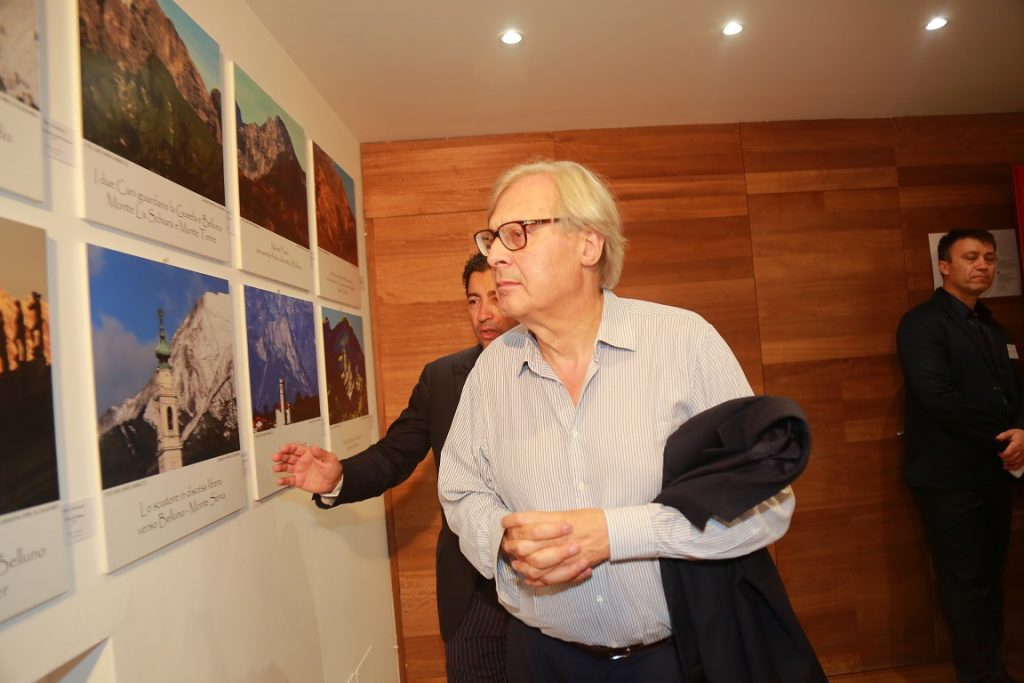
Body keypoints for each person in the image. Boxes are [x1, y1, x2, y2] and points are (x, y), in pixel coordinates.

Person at [439, 160, 799, 681]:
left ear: (588, 245)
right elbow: (461, 490)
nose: (494, 254)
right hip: (540, 660)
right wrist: (502, 540)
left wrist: (616, 533)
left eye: (517, 233)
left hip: (678, 659)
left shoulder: (685, 343)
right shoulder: (492, 370)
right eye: (492, 237)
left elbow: (767, 507)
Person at [272, 254, 518, 682]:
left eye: (495, 297)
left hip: (548, 583)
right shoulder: (441, 378)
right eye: (473, 300)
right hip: (472, 588)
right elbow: (395, 454)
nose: (484, 314)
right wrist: (338, 477)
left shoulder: (556, 371)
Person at [897, 228, 1023, 683]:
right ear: (944, 266)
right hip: (949, 477)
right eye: (971, 257)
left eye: (989, 257)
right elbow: (937, 397)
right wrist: (1002, 439)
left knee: (990, 580)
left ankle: (992, 670)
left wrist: (1023, 430)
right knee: (966, 583)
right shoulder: (921, 324)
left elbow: (1016, 390)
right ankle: (981, 676)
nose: (983, 265)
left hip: (996, 473)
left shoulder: (994, 326)